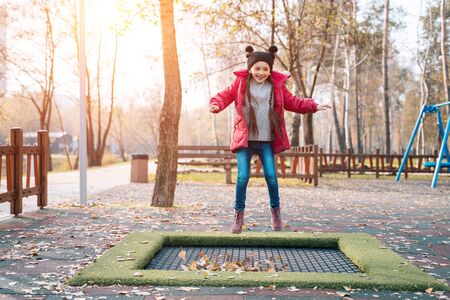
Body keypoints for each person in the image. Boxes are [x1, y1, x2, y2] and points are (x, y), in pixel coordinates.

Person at [209, 46, 331, 234]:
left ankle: (275, 214)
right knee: (242, 177)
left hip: (266, 140)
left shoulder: (277, 86)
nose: (261, 73)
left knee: (272, 178)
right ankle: (238, 216)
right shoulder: (240, 83)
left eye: (265, 69)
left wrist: (314, 105)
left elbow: (294, 102)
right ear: (250, 68)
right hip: (245, 139)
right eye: (257, 68)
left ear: (270, 70)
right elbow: (225, 95)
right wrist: (216, 104)